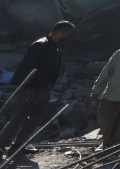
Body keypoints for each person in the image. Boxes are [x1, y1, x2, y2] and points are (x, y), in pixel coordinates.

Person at [0, 21, 72, 157]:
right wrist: (29, 87)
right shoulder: (41, 44)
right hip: (32, 89)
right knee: (19, 117)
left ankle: (18, 147)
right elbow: (27, 66)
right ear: (62, 31)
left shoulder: (55, 47)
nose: (68, 36)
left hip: (44, 89)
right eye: (67, 33)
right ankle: (1, 144)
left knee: (34, 119)